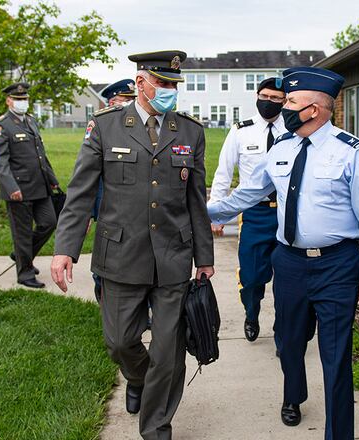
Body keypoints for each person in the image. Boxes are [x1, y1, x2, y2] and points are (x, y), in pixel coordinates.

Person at [208, 66, 359, 440]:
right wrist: (203, 212)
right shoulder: (282, 149)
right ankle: (294, 396)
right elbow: (249, 194)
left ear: (314, 110)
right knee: (289, 342)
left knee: (336, 357)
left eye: (290, 101)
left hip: (338, 264)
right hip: (288, 262)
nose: (282, 107)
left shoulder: (352, 153)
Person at [50, 50, 215, 440]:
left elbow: (196, 201)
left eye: (175, 85)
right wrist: (64, 249)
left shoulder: (190, 131)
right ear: (140, 83)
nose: (170, 91)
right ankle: (137, 378)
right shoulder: (105, 127)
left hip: (173, 256)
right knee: (121, 342)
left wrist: (204, 257)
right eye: (163, 83)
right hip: (121, 254)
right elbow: (79, 193)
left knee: (168, 353)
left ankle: (156, 427)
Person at [209, 77, 287, 345]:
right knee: (252, 277)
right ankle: (251, 313)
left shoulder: (293, 129)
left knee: (287, 278)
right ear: (256, 96)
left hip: (288, 214)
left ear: (285, 101)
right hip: (254, 213)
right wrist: (218, 214)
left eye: (276, 98)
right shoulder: (242, 131)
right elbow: (224, 171)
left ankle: (283, 330)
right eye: (265, 96)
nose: (269, 102)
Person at [0, 82, 59, 289]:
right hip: (19, 189)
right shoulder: (1, 125)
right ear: (8, 101)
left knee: (49, 222)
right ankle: (25, 273)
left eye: (25, 99)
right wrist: (11, 187)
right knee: (21, 233)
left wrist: (52, 179)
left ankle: (22, 255)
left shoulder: (30, 121)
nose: (22, 102)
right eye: (18, 99)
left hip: (40, 186)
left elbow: (41, 156)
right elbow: (0, 161)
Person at [90, 79, 138, 301]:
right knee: (107, 253)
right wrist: (91, 212)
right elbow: (90, 176)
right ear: (111, 103)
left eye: (132, 101)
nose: (130, 105)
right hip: (105, 202)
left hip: (133, 204)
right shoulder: (100, 126)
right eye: (124, 101)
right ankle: (104, 297)